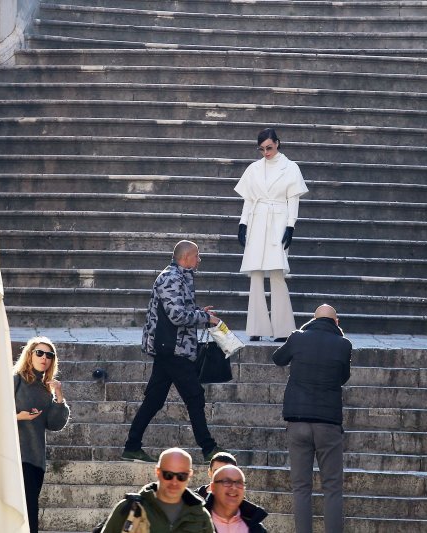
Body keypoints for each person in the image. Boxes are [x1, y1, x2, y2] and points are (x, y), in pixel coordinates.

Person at [122, 240, 227, 463]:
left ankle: (131, 446)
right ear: (186, 257)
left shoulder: (181, 277)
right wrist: (205, 317)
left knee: (154, 400)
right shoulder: (170, 278)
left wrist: (198, 312)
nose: (199, 260)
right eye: (197, 256)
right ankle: (209, 448)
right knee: (195, 396)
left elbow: (179, 309)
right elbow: (177, 316)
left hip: (171, 347)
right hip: (172, 349)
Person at [272, 304, 352, 533]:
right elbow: (343, 377)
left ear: (312, 320)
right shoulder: (344, 344)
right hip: (328, 424)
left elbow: (278, 358)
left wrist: (300, 336)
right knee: (333, 488)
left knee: (301, 488)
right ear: (336, 323)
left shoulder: (298, 337)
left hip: (297, 422)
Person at [235, 128, 309, 342]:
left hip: (278, 218)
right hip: (257, 219)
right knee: (255, 273)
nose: (266, 152)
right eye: (262, 149)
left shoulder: (291, 168)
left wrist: (291, 226)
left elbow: (294, 198)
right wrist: (243, 223)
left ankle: (283, 329)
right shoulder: (254, 168)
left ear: (278, 143)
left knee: (277, 273)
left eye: (269, 147)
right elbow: (248, 199)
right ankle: (256, 327)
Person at [13, 336, 70, 533]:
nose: (44, 357)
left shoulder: (47, 389)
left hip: (35, 459)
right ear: (29, 355)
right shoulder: (16, 380)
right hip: (14, 456)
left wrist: (59, 396)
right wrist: (18, 416)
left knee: (30, 511)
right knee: (18, 512)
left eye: (49, 355)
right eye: (39, 353)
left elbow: (55, 424)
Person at [99, 448, 214, 533]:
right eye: (168, 475)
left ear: (189, 475)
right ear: (158, 472)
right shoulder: (129, 510)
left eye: (181, 476)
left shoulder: (200, 516)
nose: (174, 482)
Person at [205, 465, 268, 532]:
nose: (234, 487)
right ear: (213, 487)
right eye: (227, 482)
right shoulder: (197, 521)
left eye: (239, 483)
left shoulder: (257, 528)